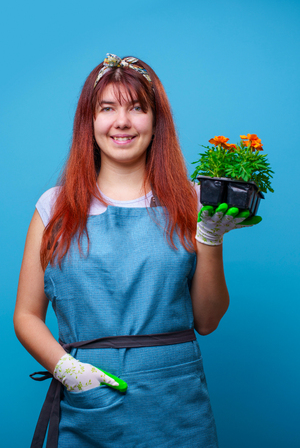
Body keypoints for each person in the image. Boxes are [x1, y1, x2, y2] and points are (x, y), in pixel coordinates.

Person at [14, 53, 261, 448]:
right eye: (107, 108)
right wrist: (67, 370)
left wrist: (211, 238)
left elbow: (208, 320)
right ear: (89, 122)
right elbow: (26, 315)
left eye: (137, 108)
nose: (122, 122)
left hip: (179, 409)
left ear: (155, 120)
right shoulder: (54, 208)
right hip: (88, 411)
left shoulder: (192, 202)